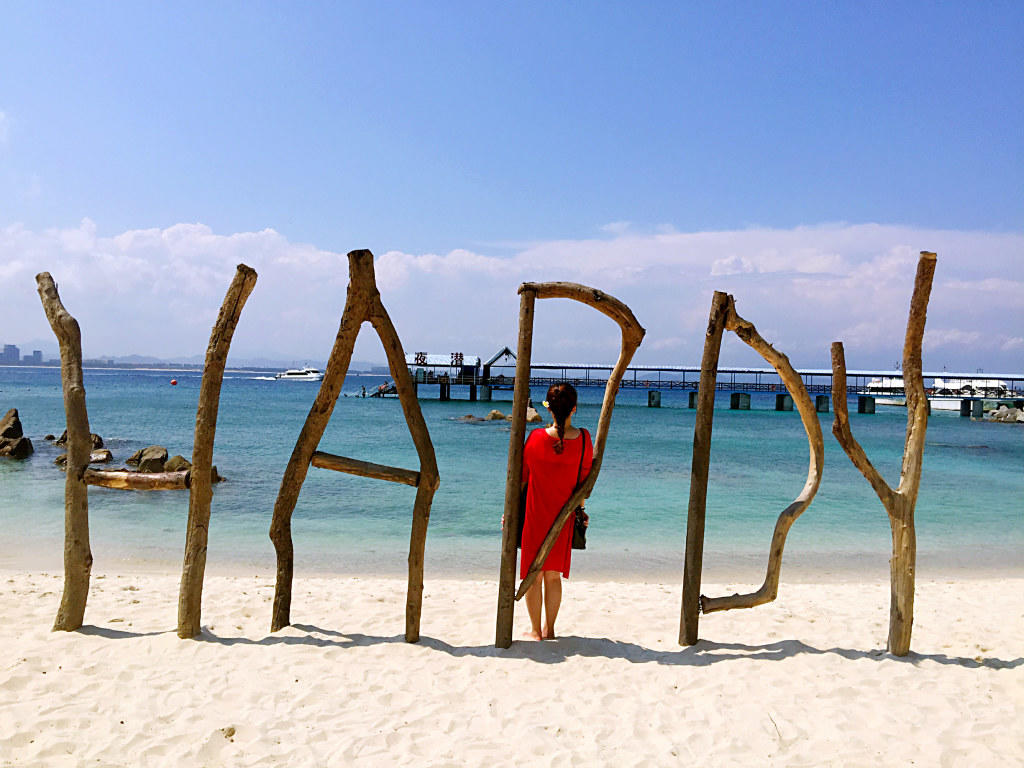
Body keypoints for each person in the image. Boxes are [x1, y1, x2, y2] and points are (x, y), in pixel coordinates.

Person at [519, 382, 593, 640]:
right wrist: (581, 510)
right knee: (553, 576)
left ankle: (535, 631)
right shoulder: (584, 440)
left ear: (548, 409)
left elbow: (522, 480)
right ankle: (550, 630)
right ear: (574, 408)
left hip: (534, 515)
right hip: (563, 517)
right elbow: (583, 485)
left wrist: (511, 512)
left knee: (533, 575)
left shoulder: (535, 439)